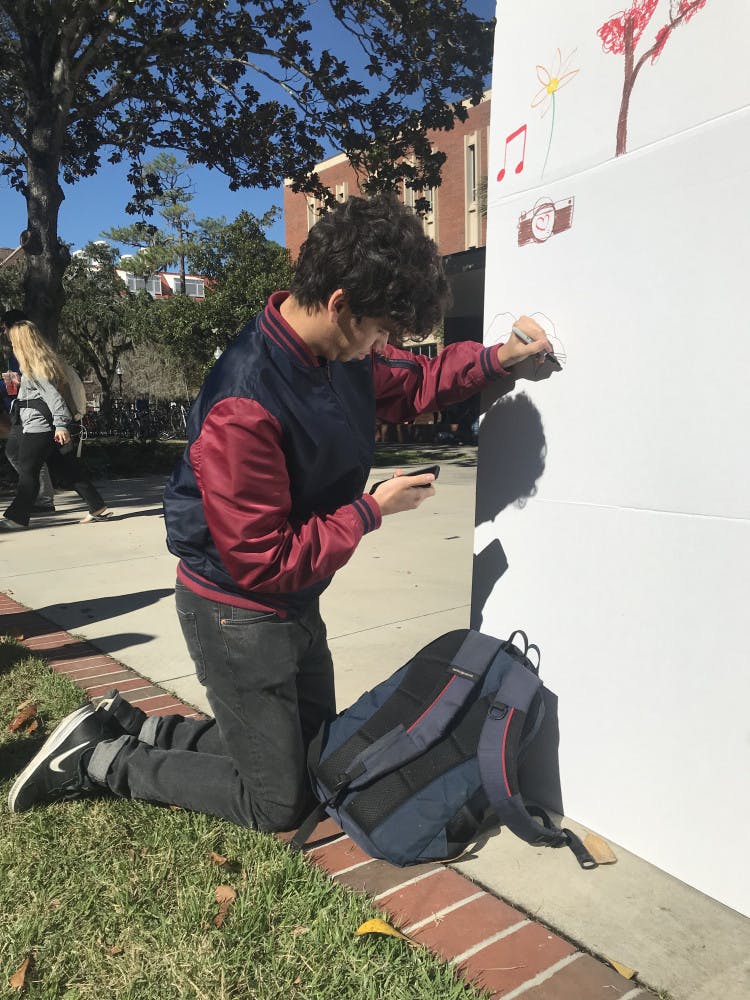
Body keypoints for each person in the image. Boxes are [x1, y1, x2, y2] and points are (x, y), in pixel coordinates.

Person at [8, 194, 554, 821]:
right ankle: (94, 760)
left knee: (318, 756)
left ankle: (136, 726)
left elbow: (410, 383)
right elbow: (261, 560)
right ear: (340, 303)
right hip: (235, 612)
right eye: (379, 330)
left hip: (295, 599)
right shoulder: (246, 401)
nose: (381, 346)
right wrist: (371, 511)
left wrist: (496, 360)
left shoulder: (331, 353)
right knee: (277, 801)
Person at [0, 317, 112, 530]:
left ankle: (17, 517)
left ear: (22, 344)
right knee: (67, 469)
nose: (11, 346)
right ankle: (96, 505)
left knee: (28, 471)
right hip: (41, 426)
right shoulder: (37, 366)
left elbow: (55, 399)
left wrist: (61, 425)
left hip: (39, 427)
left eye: (14, 342)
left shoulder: (35, 369)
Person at [1, 309, 56, 512]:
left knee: (28, 456)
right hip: (19, 410)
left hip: (30, 411)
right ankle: (37, 496)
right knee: (18, 453)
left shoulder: (26, 351)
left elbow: (45, 388)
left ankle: (41, 499)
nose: (4, 333)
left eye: (4, 328)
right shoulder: (15, 351)